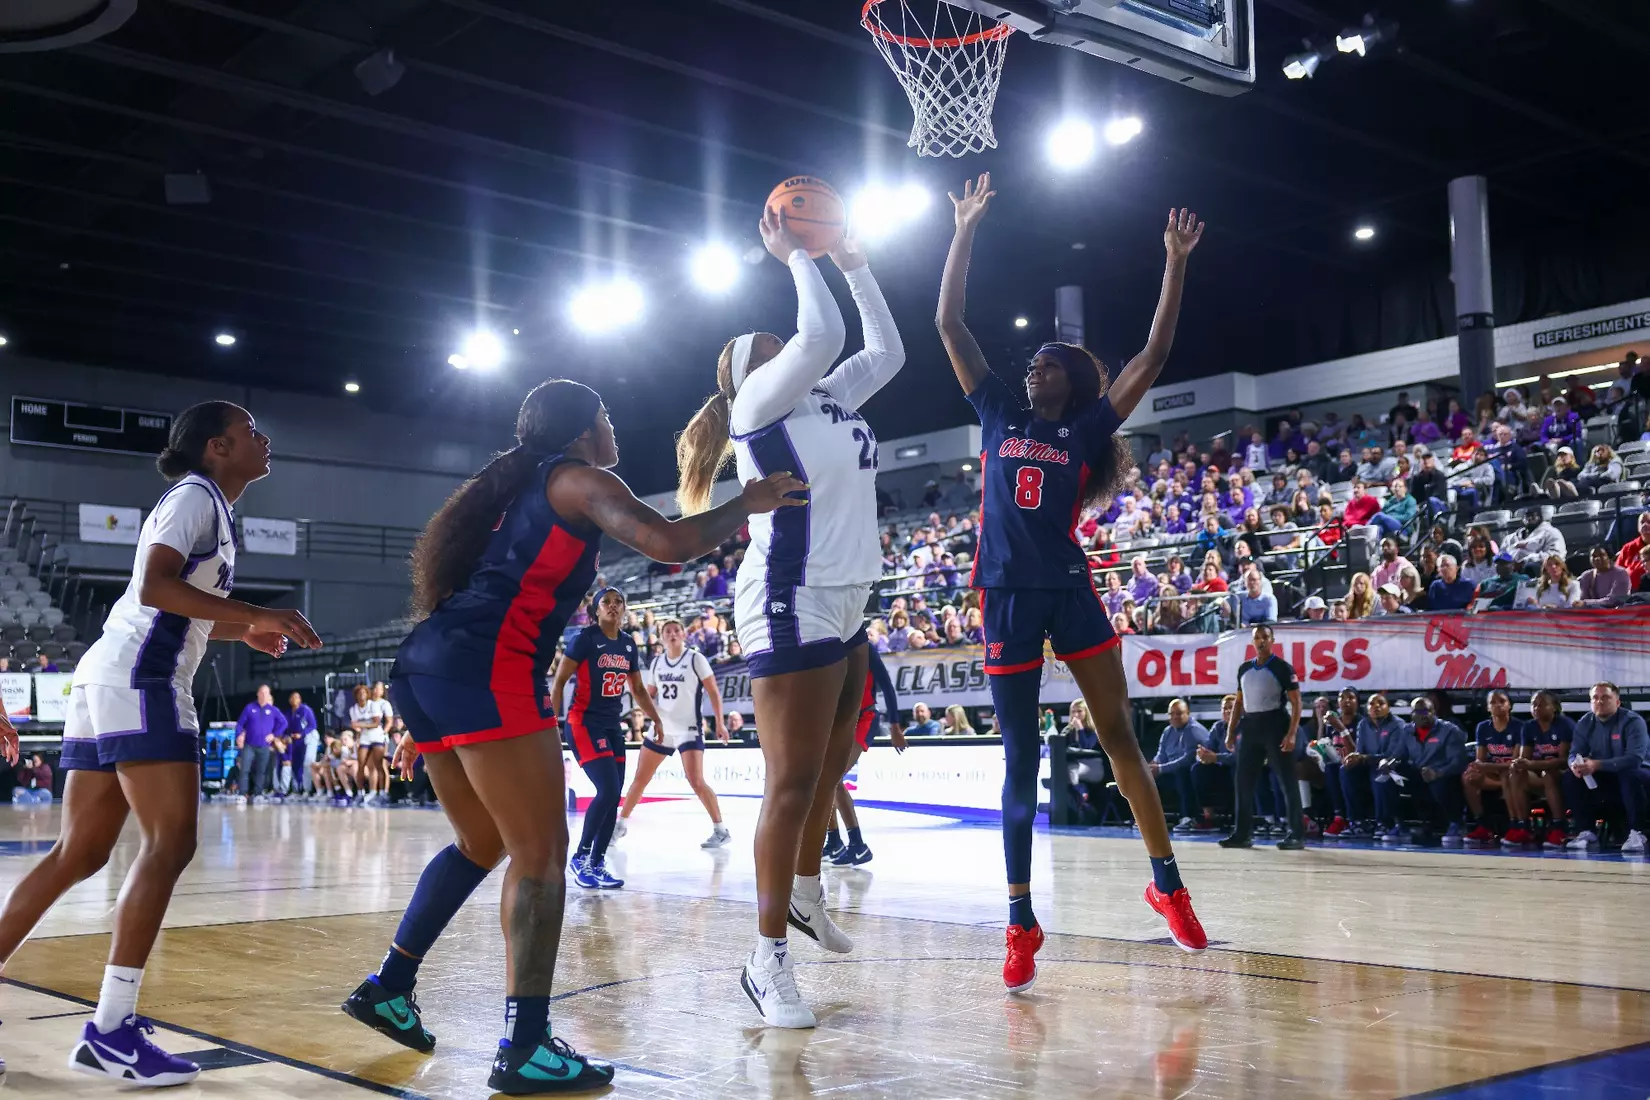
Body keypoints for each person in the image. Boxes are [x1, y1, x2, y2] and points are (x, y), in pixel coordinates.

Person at [342, 379, 800, 1091]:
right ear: (585, 428)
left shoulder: (517, 487)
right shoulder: (581, 479)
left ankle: (390, 987)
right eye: (608, 416)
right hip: (487, 668)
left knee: (482, 843)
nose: (614, 426)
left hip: (428, 664)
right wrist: (748, 501)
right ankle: (525, 1045)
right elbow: (669, 544)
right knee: (542, 857)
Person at [938, 173, 1208, 990]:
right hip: (1006, 595)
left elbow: (1155, 354)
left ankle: (1166, 883)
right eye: (1031, 368)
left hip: (1067, 586)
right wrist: (965, 230)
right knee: (1020, 758)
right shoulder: (994, 411)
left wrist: (1174, 261)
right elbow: (949, 320)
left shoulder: (1089, 426)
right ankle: (1021, 919)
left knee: (1120, 733)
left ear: (1071, 381)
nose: (1032, 372)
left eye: (1047, 366)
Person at [0, 401, 317, 1084]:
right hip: (141, 678)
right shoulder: (194, 498)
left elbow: (173, 609)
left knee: (79, 854)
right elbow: (154, 586)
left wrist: (242, 630)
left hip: (111, 673)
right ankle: (111, 1030)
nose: (265, 439)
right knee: (170, 843)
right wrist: (257, 610)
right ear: (217, 447)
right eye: (251, 431)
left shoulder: (211, 508)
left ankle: (107, 1032)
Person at [674, 207, 905, 1030]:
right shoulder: (761, 407)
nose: (783, 343)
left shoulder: (826, 399)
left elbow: (885, 352)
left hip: (845, 598)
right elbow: (820, 335)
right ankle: (764, 959)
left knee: (834, 760)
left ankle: (804, 895)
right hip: (790, 597)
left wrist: (856, 261)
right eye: (766, 347)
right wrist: (801, 254)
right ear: (747, 375)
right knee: (792, 782)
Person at [549, 588, 667, 888]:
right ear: (596, 610)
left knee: (614, 795)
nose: (613, 607)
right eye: (606, 602)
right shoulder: (585, 640)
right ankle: (580, 858)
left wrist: (655, 718)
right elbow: (560, 680)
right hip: (584, 723)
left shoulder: (628, 645)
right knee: (608, 788)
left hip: (613, 726)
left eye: (618, 603)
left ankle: (597, 864)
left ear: (625, 609)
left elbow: (638, 690)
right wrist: (552, 720)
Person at [614, 618, 731, 849]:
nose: (673, 634)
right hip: (662, 728)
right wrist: (644, 707)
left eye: (677, 630)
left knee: (696, 780)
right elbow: (648, 694)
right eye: (668, 631)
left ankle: (721, 830)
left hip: (689, 728)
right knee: (640, 779)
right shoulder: (657, 663)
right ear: (662, 636)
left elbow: (714, 692)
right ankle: (620, 825)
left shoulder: (695, 659)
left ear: (684, 634)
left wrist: (720, 723)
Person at [1221, 625, 1304, 850]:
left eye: (1265, 637)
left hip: (1275, 723)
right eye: (1257, 638)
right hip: (1250, 727)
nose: (1261, 641)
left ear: (1272, 640)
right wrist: (1231, 732)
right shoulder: (1244, 669)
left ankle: (1296, 834)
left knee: (1287, 780)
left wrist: (1292, 733)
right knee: (1243, 782)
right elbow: (1239, 702)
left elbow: (1297, 702)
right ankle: (1242, 834)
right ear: (1252, 641)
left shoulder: (1282, 668)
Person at [824, 648, 903, 867]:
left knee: (832, 778)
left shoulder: (865, 647)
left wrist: (895, 726)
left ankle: (858, 845)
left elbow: (887, 686)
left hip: (865, 717)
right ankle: (834, 841)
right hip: (840, 719)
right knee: (823, 779)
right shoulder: (828, 643)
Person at [1563, 682, 1648, 853]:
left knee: (1629, 774)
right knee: (1570, 776)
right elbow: (1574, 752)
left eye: (1605, 697)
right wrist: (1575, 764)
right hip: (1603, 776)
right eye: (1595, 698)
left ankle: (1638, 833)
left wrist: (1597, 764)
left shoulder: (1633, 721)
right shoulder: (1585, 722)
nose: (1599, 701)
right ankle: (1586, 831)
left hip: (1639, 775)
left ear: (1617, 702)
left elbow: (1634, 759)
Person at [1375, 698, 1468, 843]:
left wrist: (1438, 772)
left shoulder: (1450, 730)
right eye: (1418, 712)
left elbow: (1458, 762)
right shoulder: (1407, 730)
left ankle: (1456, 824)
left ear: (1434, 712)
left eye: (1426, 711)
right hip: (1417, 775)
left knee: (1442, 783)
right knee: (1386, 779)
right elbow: (1398, 756)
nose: (1422, 715)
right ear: (1412, 714)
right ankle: (1398, 824)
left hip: (1443, 775)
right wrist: (1387, 763)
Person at [1462, 689, 1522, 844]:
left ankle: (1516, 825)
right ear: (1487, 707)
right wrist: (1480, 766)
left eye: (1502, 701)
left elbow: (1515, 762)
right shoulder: (1482, 727)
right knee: (1468, 777)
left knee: (1508, 774)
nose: (1497, 705)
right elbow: (1479, 760)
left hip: (1513, 772)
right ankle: (1482, 825)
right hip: (1494, 771)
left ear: (1509, 705)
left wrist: (1486, 766)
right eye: (1493, 703)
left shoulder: (1519, 726)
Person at [1150, 700, 1212, 831]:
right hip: (1171, 769)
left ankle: (1188, 817)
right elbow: (1161, 754)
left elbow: (1187, 759)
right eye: (1171, 714)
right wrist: (1154, 765)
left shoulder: (1193, 730)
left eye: (1179, 713)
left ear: (1188, 713)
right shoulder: (1168, 731)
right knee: (1148, 776)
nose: (1174, 717)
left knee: (1182, 773)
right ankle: (1151, 818)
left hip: (1196, 772)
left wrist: (1161, 768)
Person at [235, 683, 288, 803]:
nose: (264, 695)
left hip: (264, 746)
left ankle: (258, 793)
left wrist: (274, 734)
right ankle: (242, 793)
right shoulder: (249, 708)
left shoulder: (273, 710)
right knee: (245, 769)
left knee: (261, 770)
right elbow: (240, 724)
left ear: (269, 695)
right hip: (249, 744)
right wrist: (239, 736)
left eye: (266, 693)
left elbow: (284, 723)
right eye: (261, 693)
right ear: (258, 694)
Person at [347, 683, 392, 806]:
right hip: (365, 737)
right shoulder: (353, 709)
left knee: (379, 765)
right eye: (359, 693)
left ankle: (382, 793)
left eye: (364, 693)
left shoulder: (374, 705)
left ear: (367, 694)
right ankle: (361, 793)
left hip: (377, 735)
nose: (362, 695)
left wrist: (360, 725)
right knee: (361, 764)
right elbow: (354, 726)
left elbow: (376, 723)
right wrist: (360, 727)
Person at [284, 690, 319, 798]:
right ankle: (297, 789)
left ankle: (307, 790)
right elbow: (286, 727)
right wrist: (287, 736)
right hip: (295, 741)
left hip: (309, 738)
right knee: (296, 765)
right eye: (292, 697)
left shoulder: (305, 709)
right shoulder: (289, 713)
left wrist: (302, 734)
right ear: (289, 700)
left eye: (297, 697)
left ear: (300, 700)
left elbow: (313, 725)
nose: (294, 699)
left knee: (307, 763)